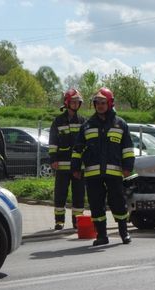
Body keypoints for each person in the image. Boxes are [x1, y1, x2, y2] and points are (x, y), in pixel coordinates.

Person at [71, 87, 135, 246]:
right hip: (93, 173)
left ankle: (124, 233)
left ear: (110, 103)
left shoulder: (120, 124)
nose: (99, 105)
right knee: (96, 204)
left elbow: (127, 149)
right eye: (97, 102)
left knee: (118, 202)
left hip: (114, 172)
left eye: (103, 102)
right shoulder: (87, 125)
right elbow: (78, 149)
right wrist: (75, 168)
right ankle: (101, 235)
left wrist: (128, 167)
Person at [49, 88, 86, 230]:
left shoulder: (83, 121)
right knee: (60, 194)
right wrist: (53, 159)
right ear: (67, 103)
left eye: (78, 102)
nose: (76, 104)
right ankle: (59, 221)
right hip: (62, 165)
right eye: (73, 102)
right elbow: (53, 142)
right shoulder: (58, 121)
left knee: (78, 194)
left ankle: (77, 221)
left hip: (78, 166)